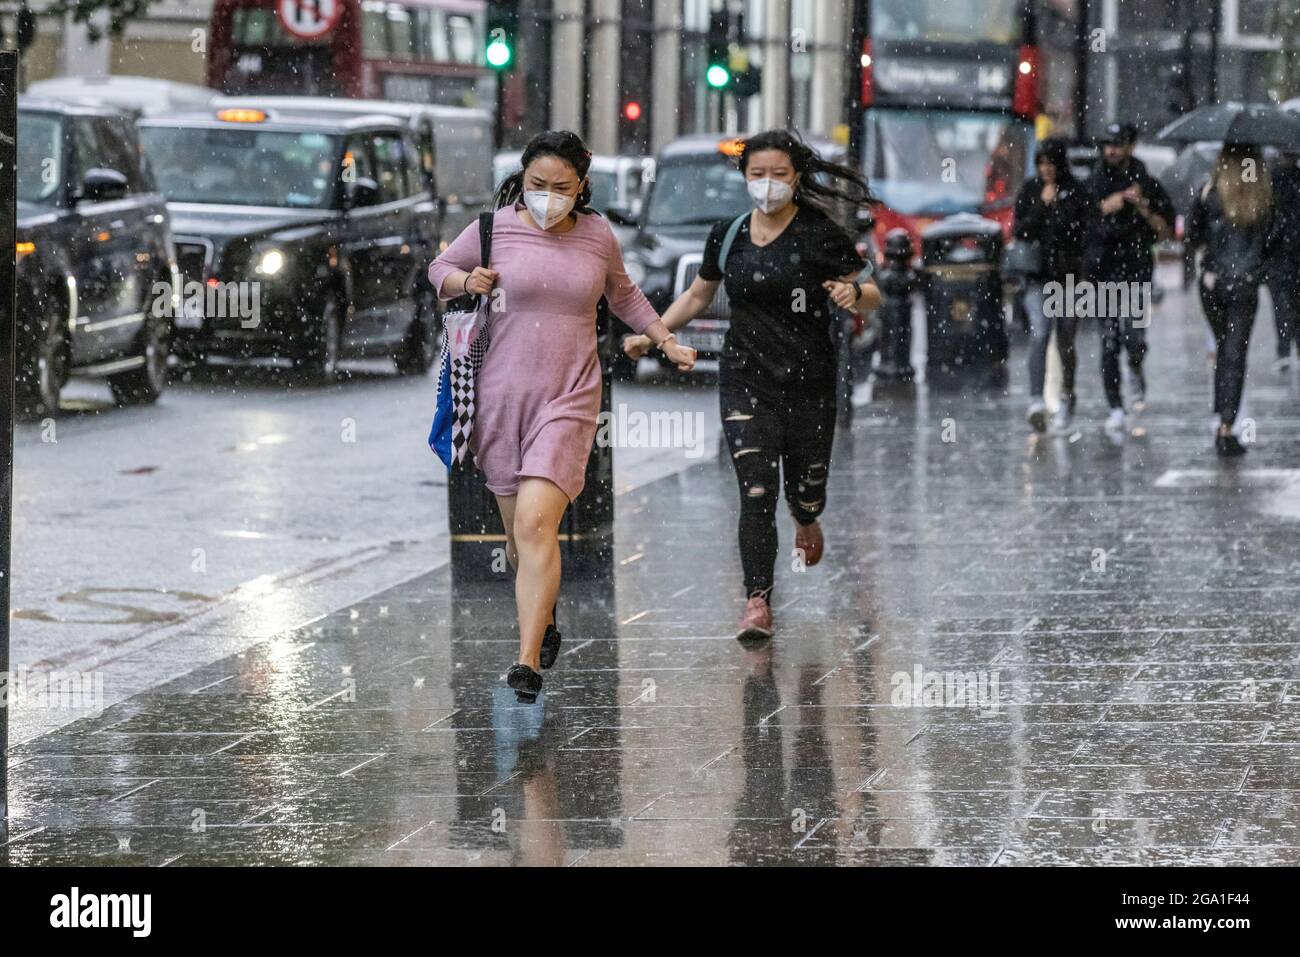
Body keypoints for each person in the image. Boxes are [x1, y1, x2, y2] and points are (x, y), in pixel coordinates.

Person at [427, 131, 696, 699]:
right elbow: (438, 271)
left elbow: (623, 296)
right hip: (500, 398)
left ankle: (526, 662)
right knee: (518, 538)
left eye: (561, 187)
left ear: (583, 186)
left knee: (535, 524)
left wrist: (665, 340)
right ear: (522, 182)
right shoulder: (491, 229)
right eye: (537, 186)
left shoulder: (598, 236)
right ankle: (544, 618)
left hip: (570, 396)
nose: (548, 197)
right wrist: (465, 280)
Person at [623, 131, 880, 641]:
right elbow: (699, 294)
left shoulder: (819, 234)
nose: (767, 185)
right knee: (756, 492)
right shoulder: (729, 233)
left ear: (797, 177)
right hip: (745, 379)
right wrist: (653, 334)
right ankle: (757, 600)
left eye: (779, 175)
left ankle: (807, 517)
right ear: (744, 178)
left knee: (805, 488)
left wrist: (853, 293)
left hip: (810, 381)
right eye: (757, 175)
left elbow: (872, 292)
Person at [1082, 122, 1175, 433]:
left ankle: (1136, 366)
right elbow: (1079, 224)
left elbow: (1166, 231)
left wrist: (1143, 208)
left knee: (1133, 335)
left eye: (1118, 143)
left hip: (1135, 272)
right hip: (1102, 273)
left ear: (1130, 146)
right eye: (1107, 143)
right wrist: (1107, 207)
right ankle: (1115, 405)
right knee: (1109, 341)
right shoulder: (1093, 183)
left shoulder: (1147, 183)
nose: (1111, 150)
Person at [1186, 142, 1274, 458]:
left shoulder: (1209, 192)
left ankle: (1222, 418)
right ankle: (1226, 424)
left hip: (1213, 282)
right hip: (1243, 285)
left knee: (1224, 349)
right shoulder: (1262, 197)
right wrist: (1255, 270)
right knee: (1234, 353)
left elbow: (1193, 236)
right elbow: (1274, 242)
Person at [1012, 138, 1091, 434]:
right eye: (1041, 163)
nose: (1045, 169)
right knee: (1040, 334)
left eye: (1050, 163)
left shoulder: (1077, 192)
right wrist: (1042, 207)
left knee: (1066, 343)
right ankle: (1036, 399)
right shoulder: (1031, 190)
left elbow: (1083, 231)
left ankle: (1067, 395)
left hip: (1069, 279)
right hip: (1038, 276)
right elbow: (1020, 230)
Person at [1264, 150, 1300, 371]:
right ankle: (1293, 345)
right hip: (1292, 251)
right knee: (1294, 301)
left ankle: (1284, 349)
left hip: (1278, 253)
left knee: (1280, 303)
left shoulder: (1271, 180)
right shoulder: (1294, 179)